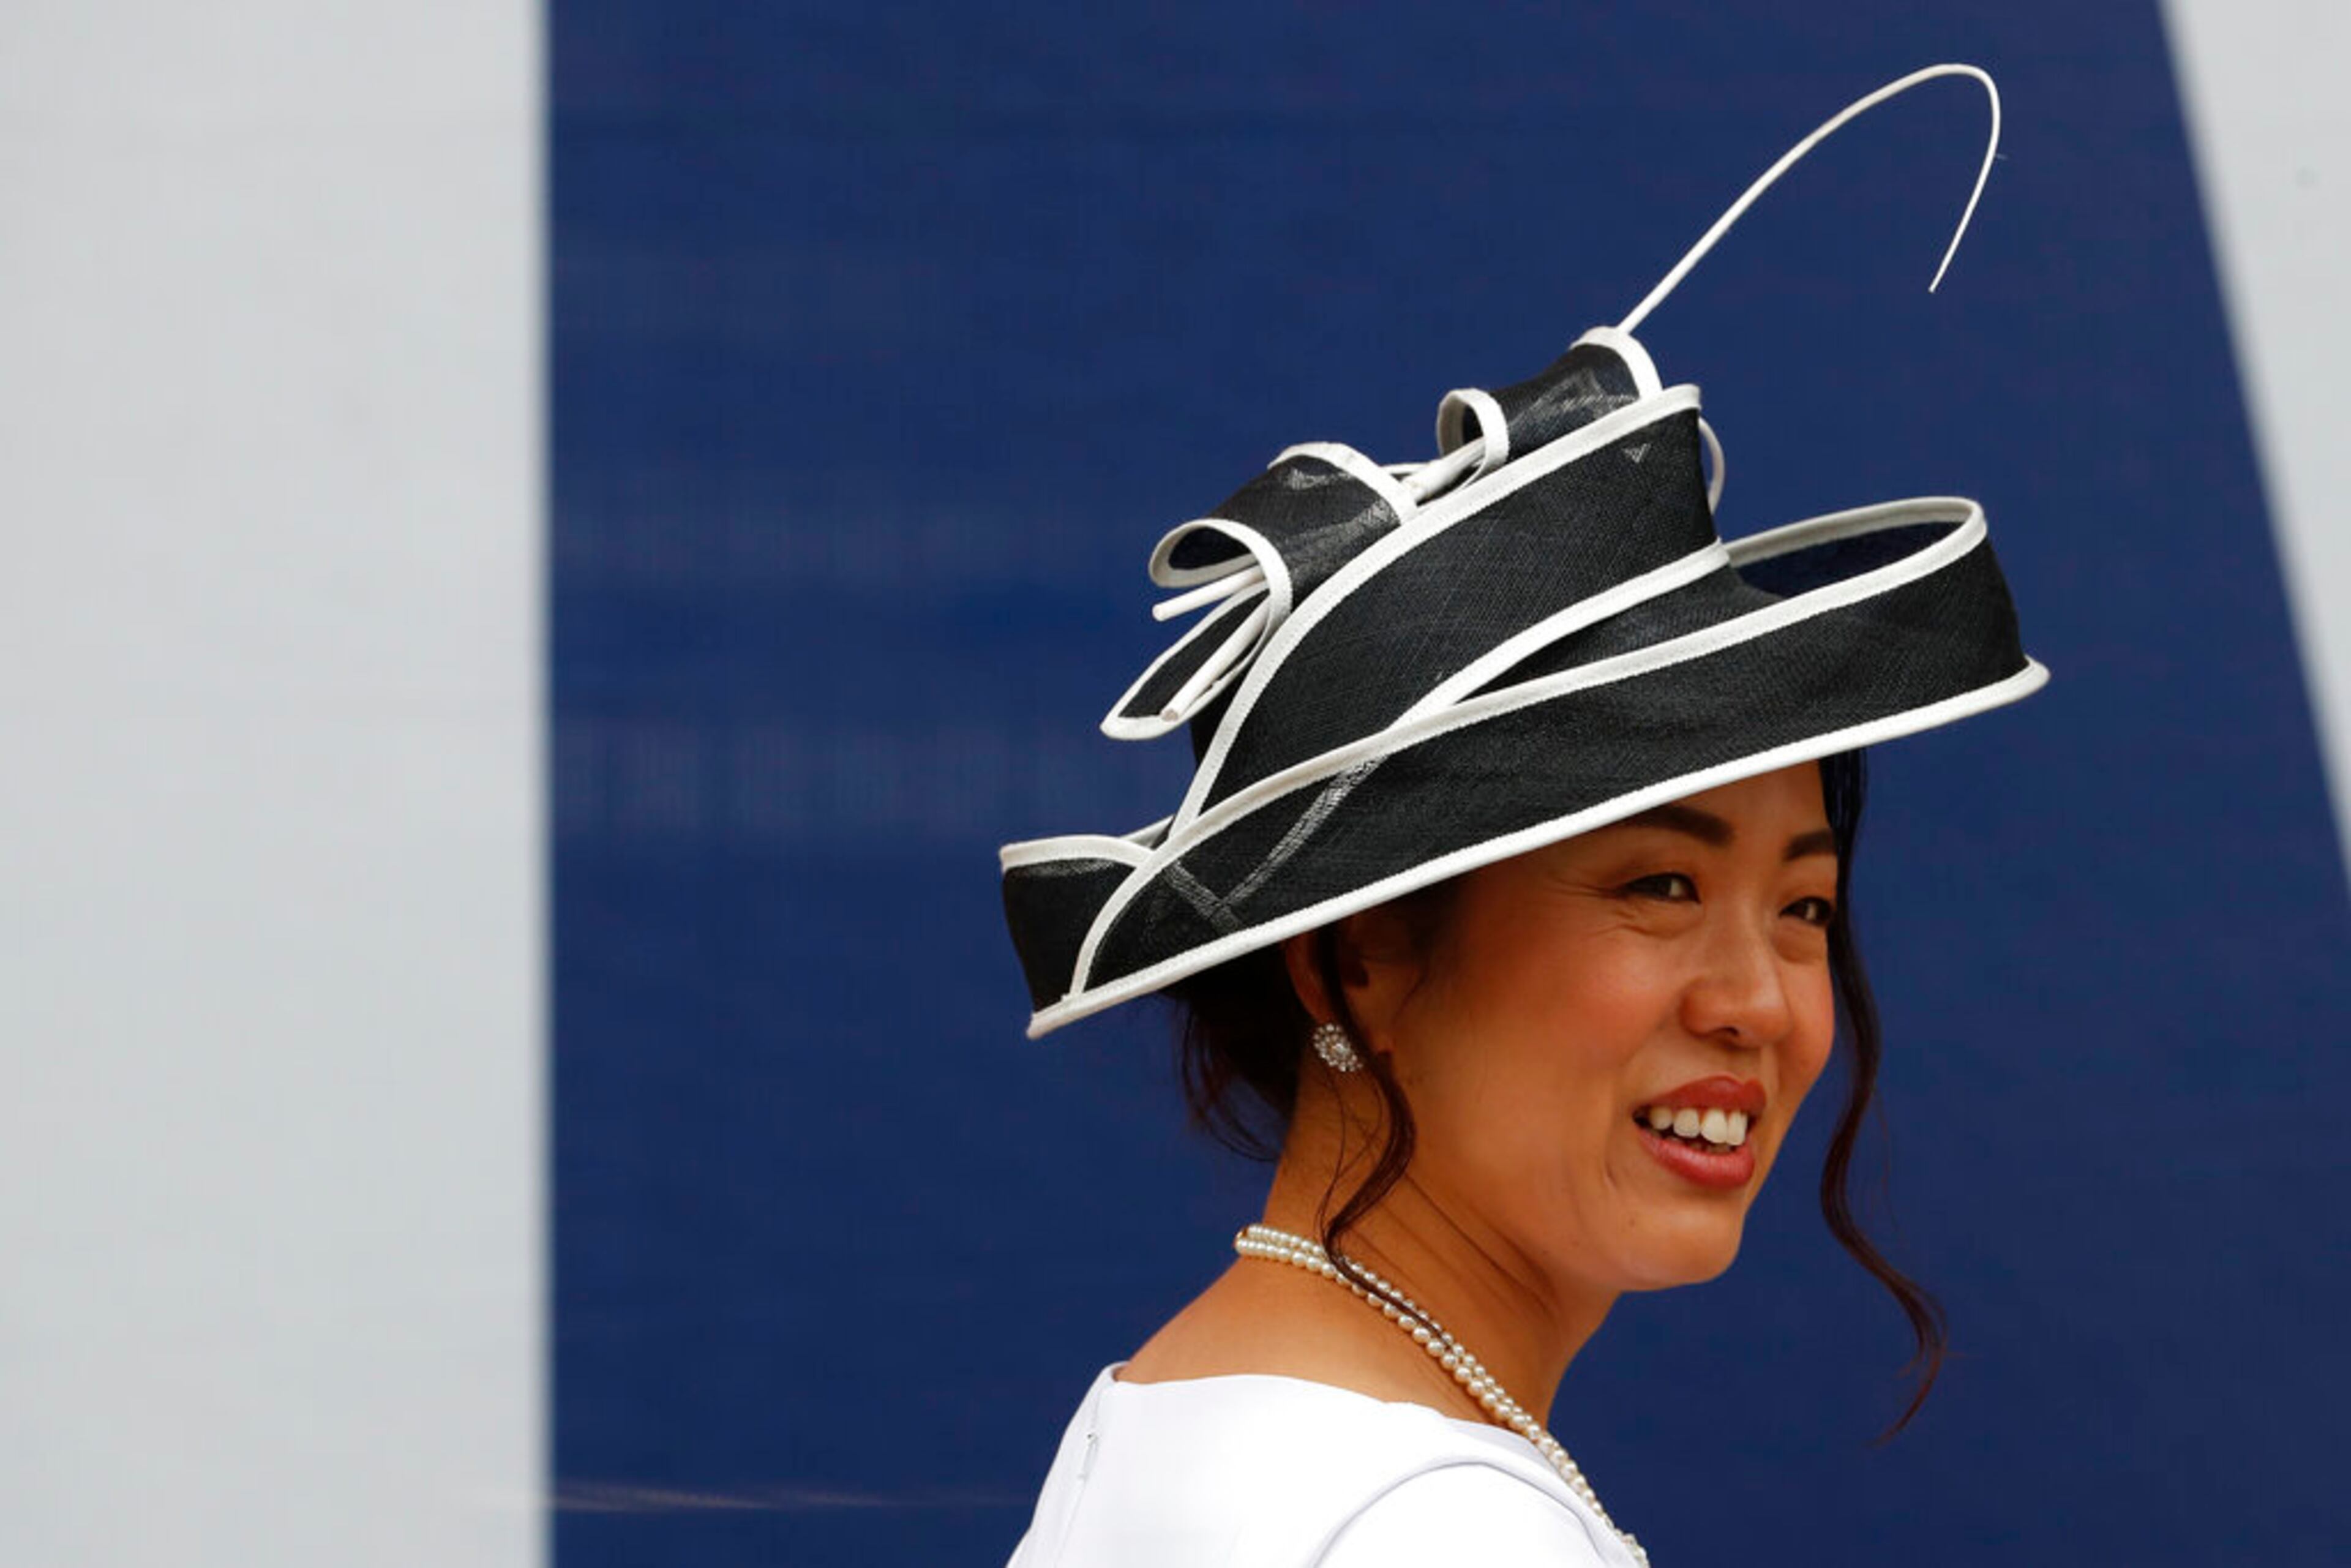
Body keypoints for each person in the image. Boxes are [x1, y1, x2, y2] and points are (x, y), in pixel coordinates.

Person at [997, 66, 2041, 1567]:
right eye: (1660, 887)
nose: (1761, 1004)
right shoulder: (1433, 1526)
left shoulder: (1178, 1413)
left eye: (1803, 907)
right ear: (1360, 956)